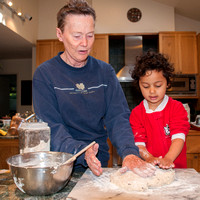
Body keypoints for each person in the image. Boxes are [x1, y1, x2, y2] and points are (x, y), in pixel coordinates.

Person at [33, 0, 155, 177]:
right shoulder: (45, 74)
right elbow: (51, 126)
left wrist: (129, 152)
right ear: (60, 34)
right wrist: (82, 151)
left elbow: (117, 117)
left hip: (98, 164)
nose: (85, 43)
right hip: (61, 165)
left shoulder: (105, 72)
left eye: (90, 35)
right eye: (77, 36)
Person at [130, 51, 190, 169]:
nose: (152, 91)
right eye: (146, 86)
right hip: (150, 169)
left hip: (176, 169)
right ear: (139, 85)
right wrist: (149, 158)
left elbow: (178, 138)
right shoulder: (136, 114)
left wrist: (168, 159)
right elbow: (139, 144)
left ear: (167, 83)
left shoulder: (176, 108)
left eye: (158, 85)